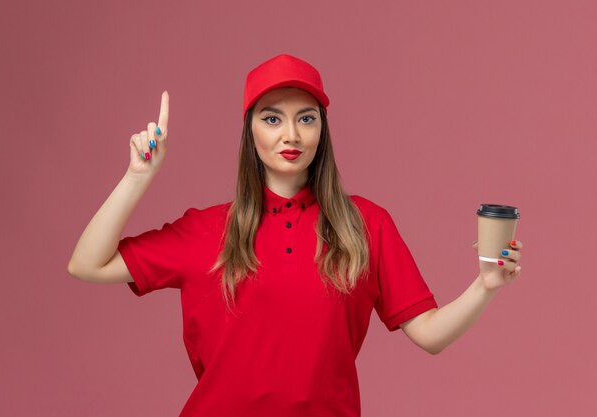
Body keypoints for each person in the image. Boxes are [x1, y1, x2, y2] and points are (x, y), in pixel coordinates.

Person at [67, 53, 524, 417]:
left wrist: (485, 287)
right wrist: (137, 177)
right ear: (250, 131)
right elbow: (87, 264)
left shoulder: (366, 225)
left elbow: (430, 334)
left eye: (306, 118)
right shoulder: (205, 230)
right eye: (272, 118)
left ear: (322, 130)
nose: (291, 134)